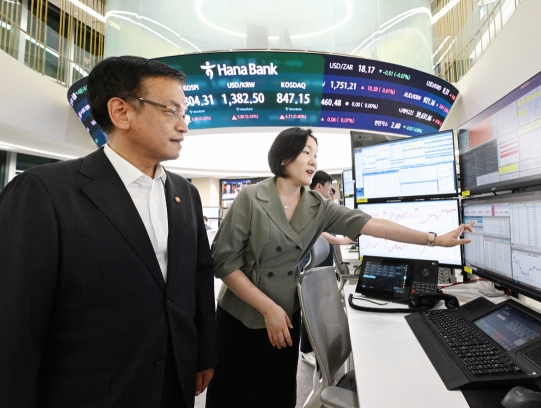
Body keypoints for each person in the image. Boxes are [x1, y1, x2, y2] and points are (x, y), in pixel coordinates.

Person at [0, 56, 217, 407]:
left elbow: (197, 278)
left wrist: (203, 352)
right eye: (171, 111)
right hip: (92, 392)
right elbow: (16, 321)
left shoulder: (184, 194)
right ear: (121, 112)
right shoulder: (44, 192)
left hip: (173, 382)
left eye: (184, 113)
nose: (184, 125)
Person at [208, 127, 474, 407]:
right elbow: (223, 262)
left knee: (276, 393)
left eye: (316, 154)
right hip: (241, 315)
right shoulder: (250, 197)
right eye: (306, 152)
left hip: (285, 313)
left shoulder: (317, 206)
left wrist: (435, 239)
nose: (313, 161)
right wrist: (267, 308)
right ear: (284, 157)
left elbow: (373, 225)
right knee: (233, 394)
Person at [299, 170, 355, 367]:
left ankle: (315, 345)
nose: (330, 192)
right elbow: (320, 232)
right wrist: (341, 239)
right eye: (329, 188)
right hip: (309, 264)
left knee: (319, 306)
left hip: (322, 264)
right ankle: (305, 350)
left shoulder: (322, 205)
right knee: (310, 307)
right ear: (319, 186)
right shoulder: (309, 205)